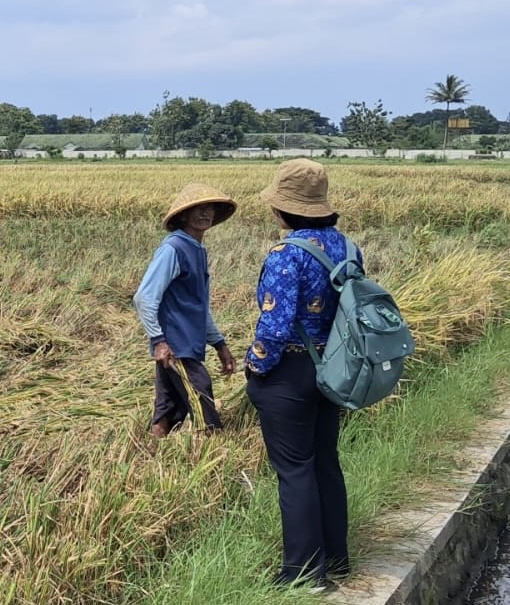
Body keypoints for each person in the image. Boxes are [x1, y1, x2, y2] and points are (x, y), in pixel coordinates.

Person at [245, 158, 361, 590]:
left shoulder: (286, 255)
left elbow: (273, 328)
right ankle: (337, 558)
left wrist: (255, 366)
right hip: (334, 368)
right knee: (325, 463)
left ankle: (304, 575)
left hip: (289, 372)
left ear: (282, 209)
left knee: (294, 469)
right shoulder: (348, 247)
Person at [133, 183, 238, 437]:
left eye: (209, 208)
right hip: (176, 345)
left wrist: (219, 344)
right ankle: (213, 455)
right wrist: (159, 341)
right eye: (197, 209)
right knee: (202, 399)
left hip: (187, 342)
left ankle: (149, 455)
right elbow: (144, 297)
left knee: (169, 407)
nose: (204, 214)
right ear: (183, 215)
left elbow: (198, 305)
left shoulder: (196, 249)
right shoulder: (173, 249)